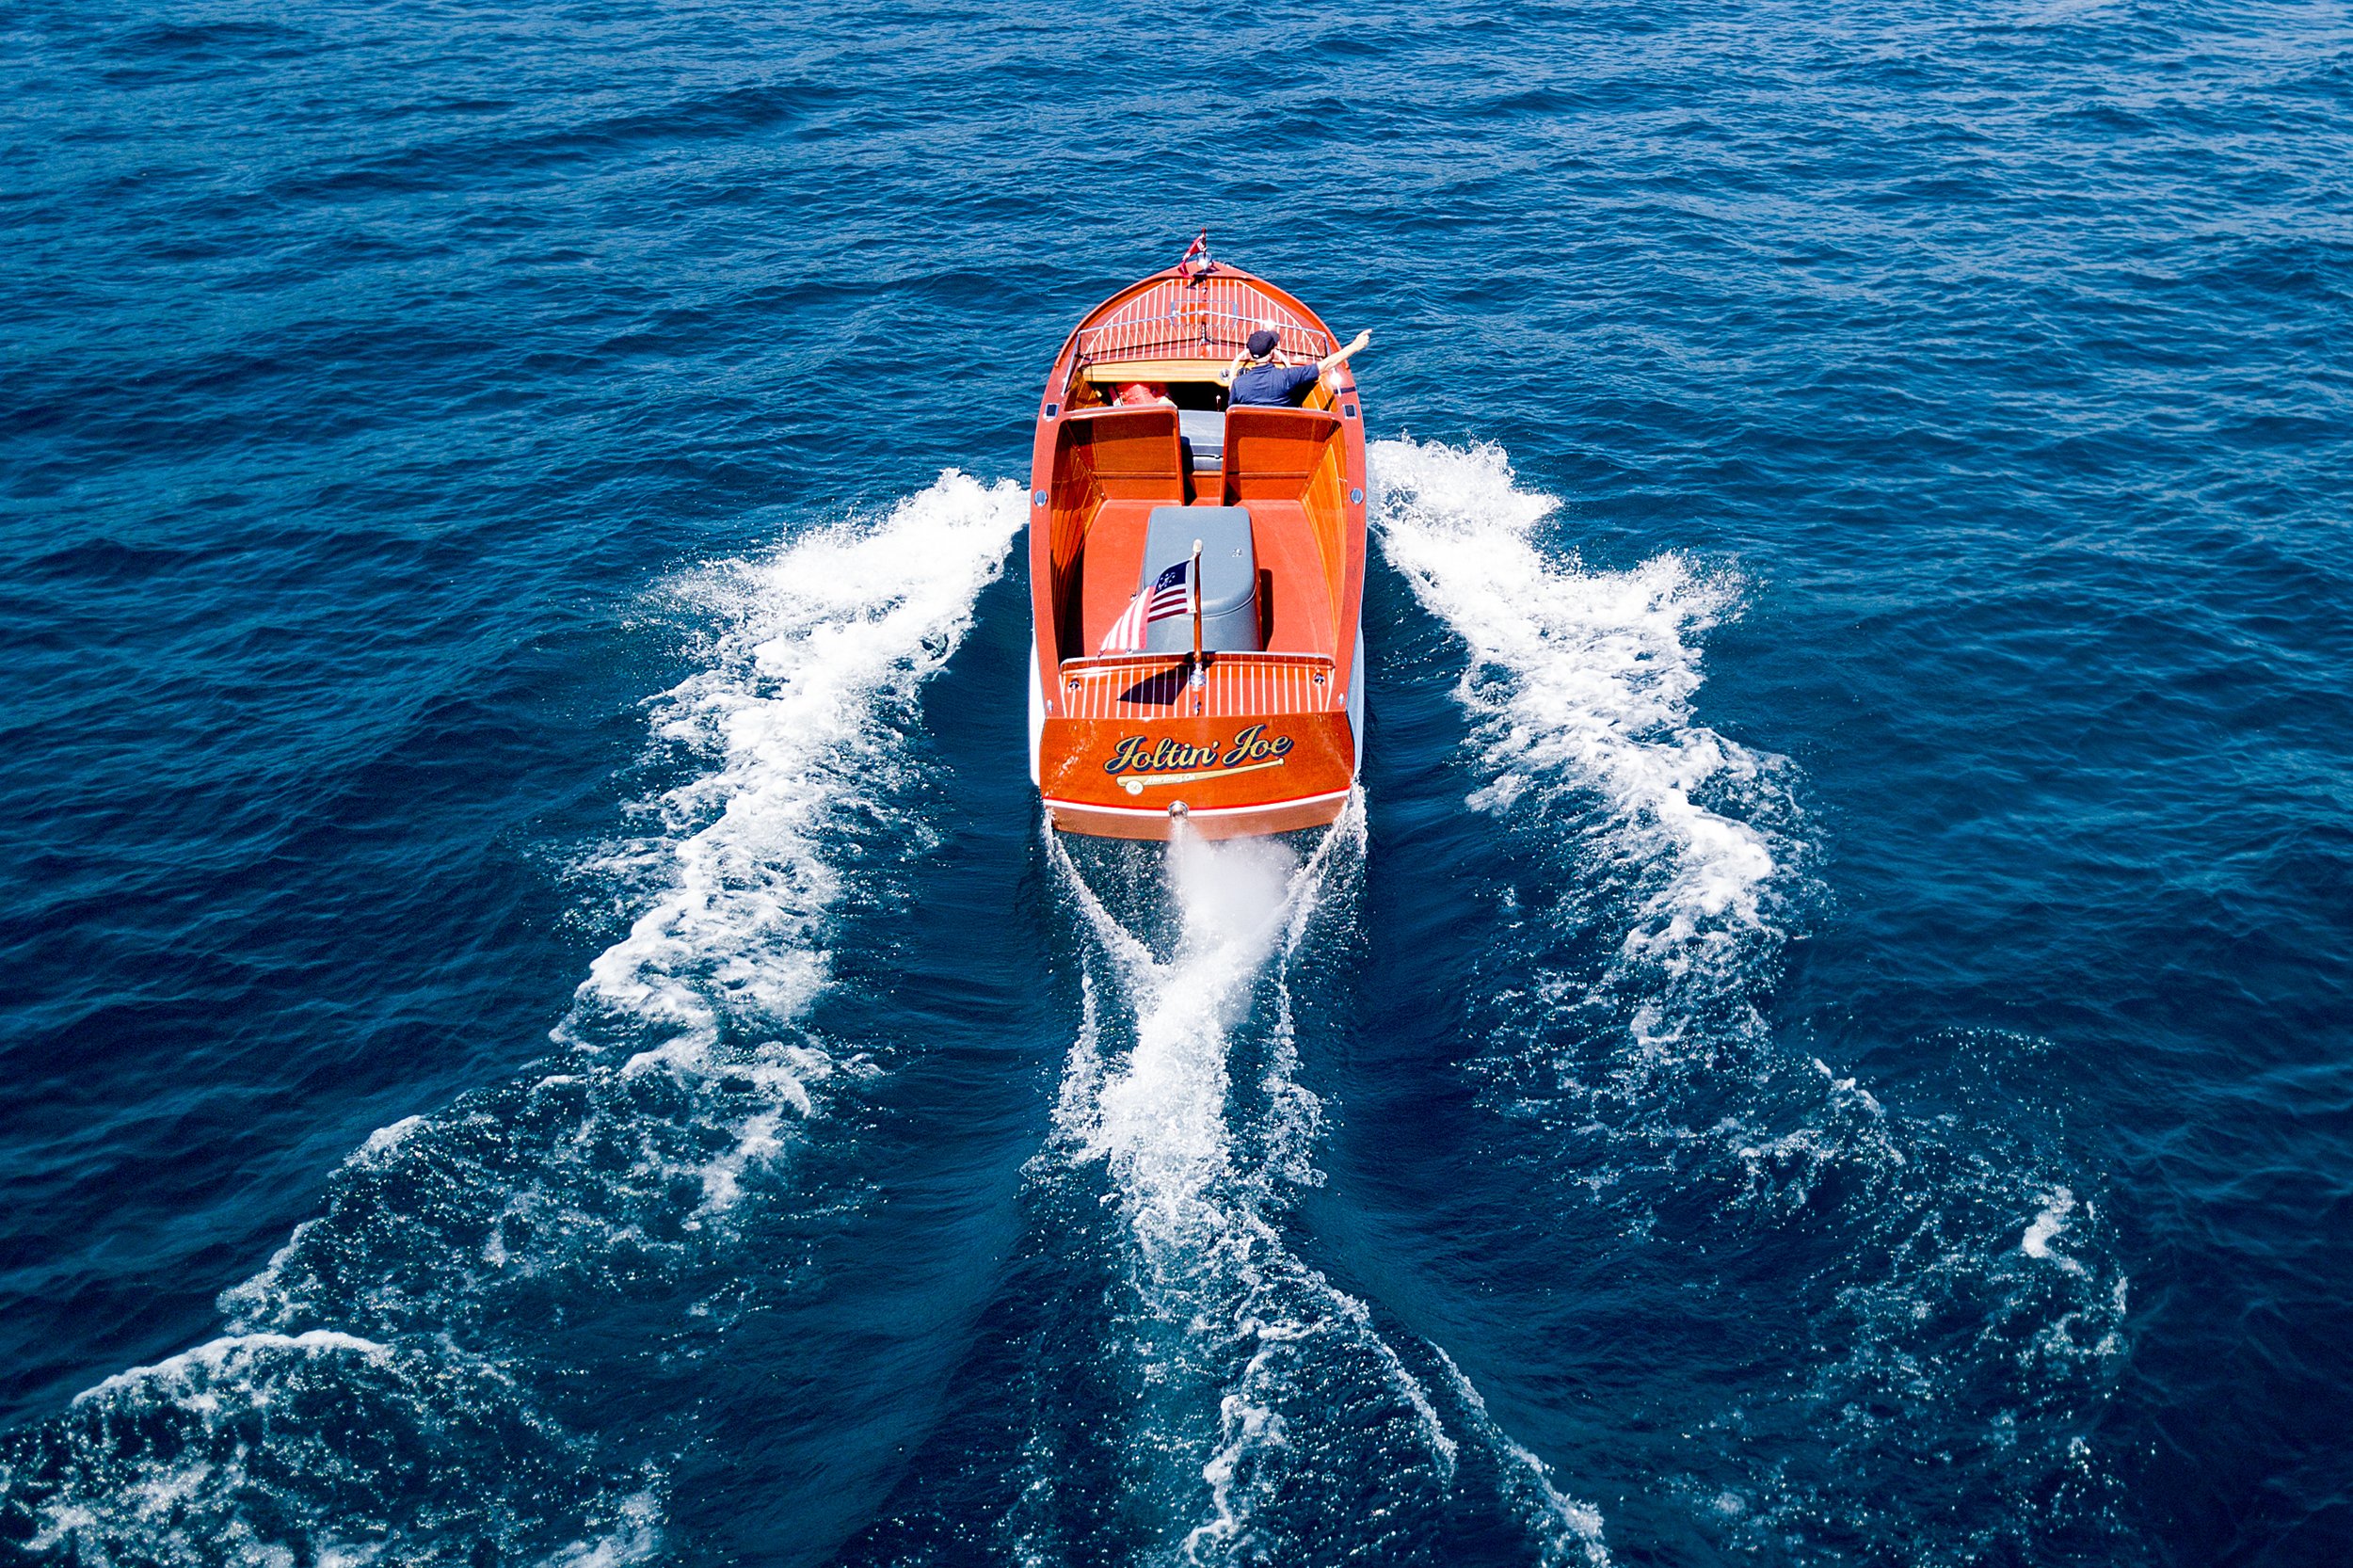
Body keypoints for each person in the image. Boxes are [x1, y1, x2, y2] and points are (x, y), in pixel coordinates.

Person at [1221, 325, 1372, 407]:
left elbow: (1232, 409)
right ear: (1273, 352)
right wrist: (1355, 346)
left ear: (1250, 354)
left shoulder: (1238, 384)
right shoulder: (1288, 377)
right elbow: (1326, 365)